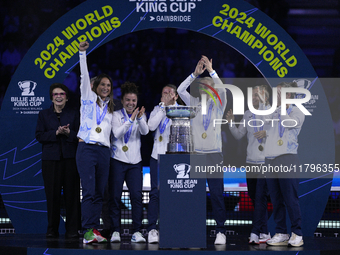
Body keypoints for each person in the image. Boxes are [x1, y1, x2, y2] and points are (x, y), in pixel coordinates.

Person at [177, 55, 227, 245]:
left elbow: (222, 89)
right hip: (196, 154)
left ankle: (220, 230)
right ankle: (192, 228)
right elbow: (180, 90)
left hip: (214, 154)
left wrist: (212, 72)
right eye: (203, 86)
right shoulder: (193, 103)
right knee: (194, 194)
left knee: (216, 193)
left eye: (209, 86)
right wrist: (194, 74)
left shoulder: (219, 105)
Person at [76, 41, 116, 244]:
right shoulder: (88, 99)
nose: (106, 88)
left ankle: (94, 229)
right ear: (95, 86)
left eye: (108, 86)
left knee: (100, 193)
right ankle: (86, 231)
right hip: (87, 149)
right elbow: (84, 76)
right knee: (89, 191)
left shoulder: (110, 109)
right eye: (103, 84)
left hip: (103, 152)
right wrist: (82, 53)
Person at [258, 81, 304, 247]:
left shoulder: (298, 111)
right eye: (276, 93)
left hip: (287, 158)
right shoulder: (274, 110)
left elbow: (288, 123)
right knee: (276, 199)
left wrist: (281, 108)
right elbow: (263, 120)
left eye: (280, 93)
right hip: (270, 159)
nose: (276, 96)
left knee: (290, 199)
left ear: (288, 95)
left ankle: (297, 233)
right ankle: (281, 232)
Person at [226, 85, 271, 244]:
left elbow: (280, 131)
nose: (254, 98)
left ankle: (255, 232)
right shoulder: (248, 114)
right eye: (252, 96)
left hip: (265, 162)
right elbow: (238, 135)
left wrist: (267, 132)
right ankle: (265, 232)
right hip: (250, 162)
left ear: (265, 96)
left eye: (257, 95)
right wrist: (231, 123)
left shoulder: (272, 112)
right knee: (254, 197)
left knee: (260, 198)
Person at [35, 83, 80, 239]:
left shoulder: (74, 114)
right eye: (56, 94)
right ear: (51, 98)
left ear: (66, 98)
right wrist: (55, 132)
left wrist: (68, 133)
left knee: (72, 196)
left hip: (70, 160)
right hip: (51, 160)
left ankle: (72, 230)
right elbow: (39, 136)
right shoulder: (43, 114)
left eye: (62, 94)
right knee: (52, 196)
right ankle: (52, 229)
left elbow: (80, 137)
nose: (59, 96)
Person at [109, 82, 149, 243]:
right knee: (115, 197)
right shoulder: (116, 115)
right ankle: (115, 231)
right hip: (117, 161)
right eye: (128, 100)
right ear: (123, 100)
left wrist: (139, 119)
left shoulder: (141, 115)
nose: (131, 103)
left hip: (135, 163)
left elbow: (145, 132)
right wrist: (131, 119)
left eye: (133, 101)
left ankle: (137, 231)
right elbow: (117, 134)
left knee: (136, 197)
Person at [147, 84, 180, 243]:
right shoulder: (157, 109)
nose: (166, 95)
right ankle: (152, 229)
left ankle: (171, 226)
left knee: (173, 195)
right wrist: (162, 108)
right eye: (164, 93)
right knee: (155, 193)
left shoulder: (182, 110)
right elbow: (151, 126)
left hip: (174, 158)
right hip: (157, 156)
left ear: (176, 96)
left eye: (170, 93)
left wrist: (169, 108)